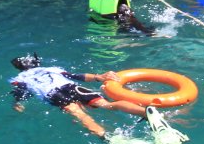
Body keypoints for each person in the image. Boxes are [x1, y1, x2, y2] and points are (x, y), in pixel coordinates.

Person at [10, 54, 147, 139]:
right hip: (72, 87)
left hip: (54, 94)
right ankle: (146, 112)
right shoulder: (52, 69)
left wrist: (18, 103)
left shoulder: (19, 78)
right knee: (107, 105)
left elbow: (21, 91)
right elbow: (76, 76)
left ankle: (105, 136)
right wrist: (98, 77)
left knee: (81, 115)